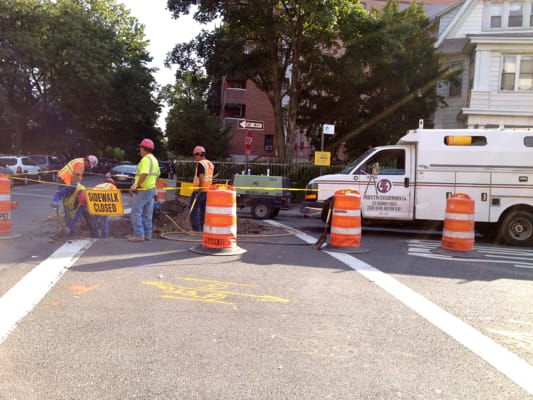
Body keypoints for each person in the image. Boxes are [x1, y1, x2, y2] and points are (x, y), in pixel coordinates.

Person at [128, 138, 160, 242]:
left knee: (136, 212)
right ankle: (147, 234)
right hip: (150, 190)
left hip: (143, 190)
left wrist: (135, 186)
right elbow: (157, 176)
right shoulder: (154, 160)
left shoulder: (146, 160)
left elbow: (144, 174)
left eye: (140, 148)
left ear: (143, 148)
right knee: (147, 214)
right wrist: (154, 191)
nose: (140, 150)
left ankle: (139, 235)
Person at [190, 145, 214, 232]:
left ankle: (196, 229)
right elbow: (216, 173)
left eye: (195, 156)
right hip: (207, 191)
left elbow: (201, 176)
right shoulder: (210, 164)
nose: (195, 158)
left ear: (198, 154)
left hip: (199, 190)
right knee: (203, 210)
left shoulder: (201, 163)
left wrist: (200, 188)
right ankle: (203, 229)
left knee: (194, 209)